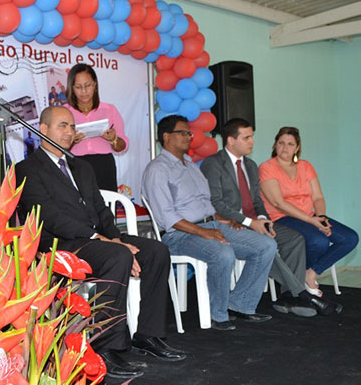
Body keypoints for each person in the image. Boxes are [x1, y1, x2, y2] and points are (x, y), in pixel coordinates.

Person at [16, 106, 186, 380]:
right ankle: (106, 346)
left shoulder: (81, 166)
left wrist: (115, 237)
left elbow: (101, 210)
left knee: (156, 251)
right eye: (62, 126)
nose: (69, 132)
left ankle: (147, 334)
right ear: (43, 129)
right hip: (59, 245)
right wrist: (105, 241)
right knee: (117, 256)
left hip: (97, 239)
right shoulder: (27, 169)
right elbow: (50, 217)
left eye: (72, 126)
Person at [142, 115, 277, 331]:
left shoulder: (191, 165)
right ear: (166, 137)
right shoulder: (157, 169)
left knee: (266, 245)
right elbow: (167, 218)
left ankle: (240, 304)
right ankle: (218, 315)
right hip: (180, 234)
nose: (189, 137)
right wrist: (203, 232)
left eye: (189, 133)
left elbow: (205, 204)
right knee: (222, 253)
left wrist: (223, 220)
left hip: (212, 224)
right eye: (182, 132)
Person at [201, 119, 341, 316]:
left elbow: (258, 201)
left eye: (252, 137)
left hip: (254, 221)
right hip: (230, 223)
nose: (252, 141)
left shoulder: (250, 165)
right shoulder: (213, 163)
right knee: (266, 245)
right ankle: (301, 294)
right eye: (247, 138)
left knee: (294, 239)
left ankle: (287, 296)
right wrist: (250, 222)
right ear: (231, 140)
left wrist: (263, 219)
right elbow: (216, 203)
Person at [259, 126, 358, 298]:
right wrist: (312, 221)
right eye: (281, 143)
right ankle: (301, 282)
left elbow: (318, 197)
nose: (285, 147)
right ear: (275, 145)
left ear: (297, 148)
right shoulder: (267, 167)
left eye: (290, 144)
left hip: (310, 216)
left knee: (350, 238)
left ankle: (310, 274)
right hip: (282, 217)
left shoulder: (305, 166)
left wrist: (321, 218)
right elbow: (278, 203)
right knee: (319, 241)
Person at [65, 63, 128, 191]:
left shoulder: (109, 110)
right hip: (75, 164)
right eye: (78, 87)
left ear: (95, 85)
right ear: (72, 88)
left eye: (88, 85)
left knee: (106, 201)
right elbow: (55, 147)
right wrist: (71, 142)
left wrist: (114, 139)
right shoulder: (64, 112)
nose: (84, 91)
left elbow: (123, 146)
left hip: (104, 166)